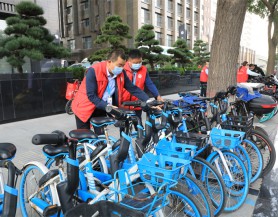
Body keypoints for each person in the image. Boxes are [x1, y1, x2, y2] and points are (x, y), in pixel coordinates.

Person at [71, 49, 149, 134]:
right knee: (85, 137)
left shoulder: (121, 73)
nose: (121, 68)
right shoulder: (94, 71)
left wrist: (148, 100)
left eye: (123, 65)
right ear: (109, 62)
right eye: (119, 65)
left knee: (101, 137)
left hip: (101, 107)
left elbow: (133, 88)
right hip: (84, 106)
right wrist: (107, 106)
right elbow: (91, 96)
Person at [121, 49, 163, 119]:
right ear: (128, 60)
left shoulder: (144, 70)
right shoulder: (122, 69)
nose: (138, 64)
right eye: (135, 62)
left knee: (138, 123)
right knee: (124, 124)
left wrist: (157, 96)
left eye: (140, 62)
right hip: (124, 102)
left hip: (138, 102)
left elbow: (150, 84)